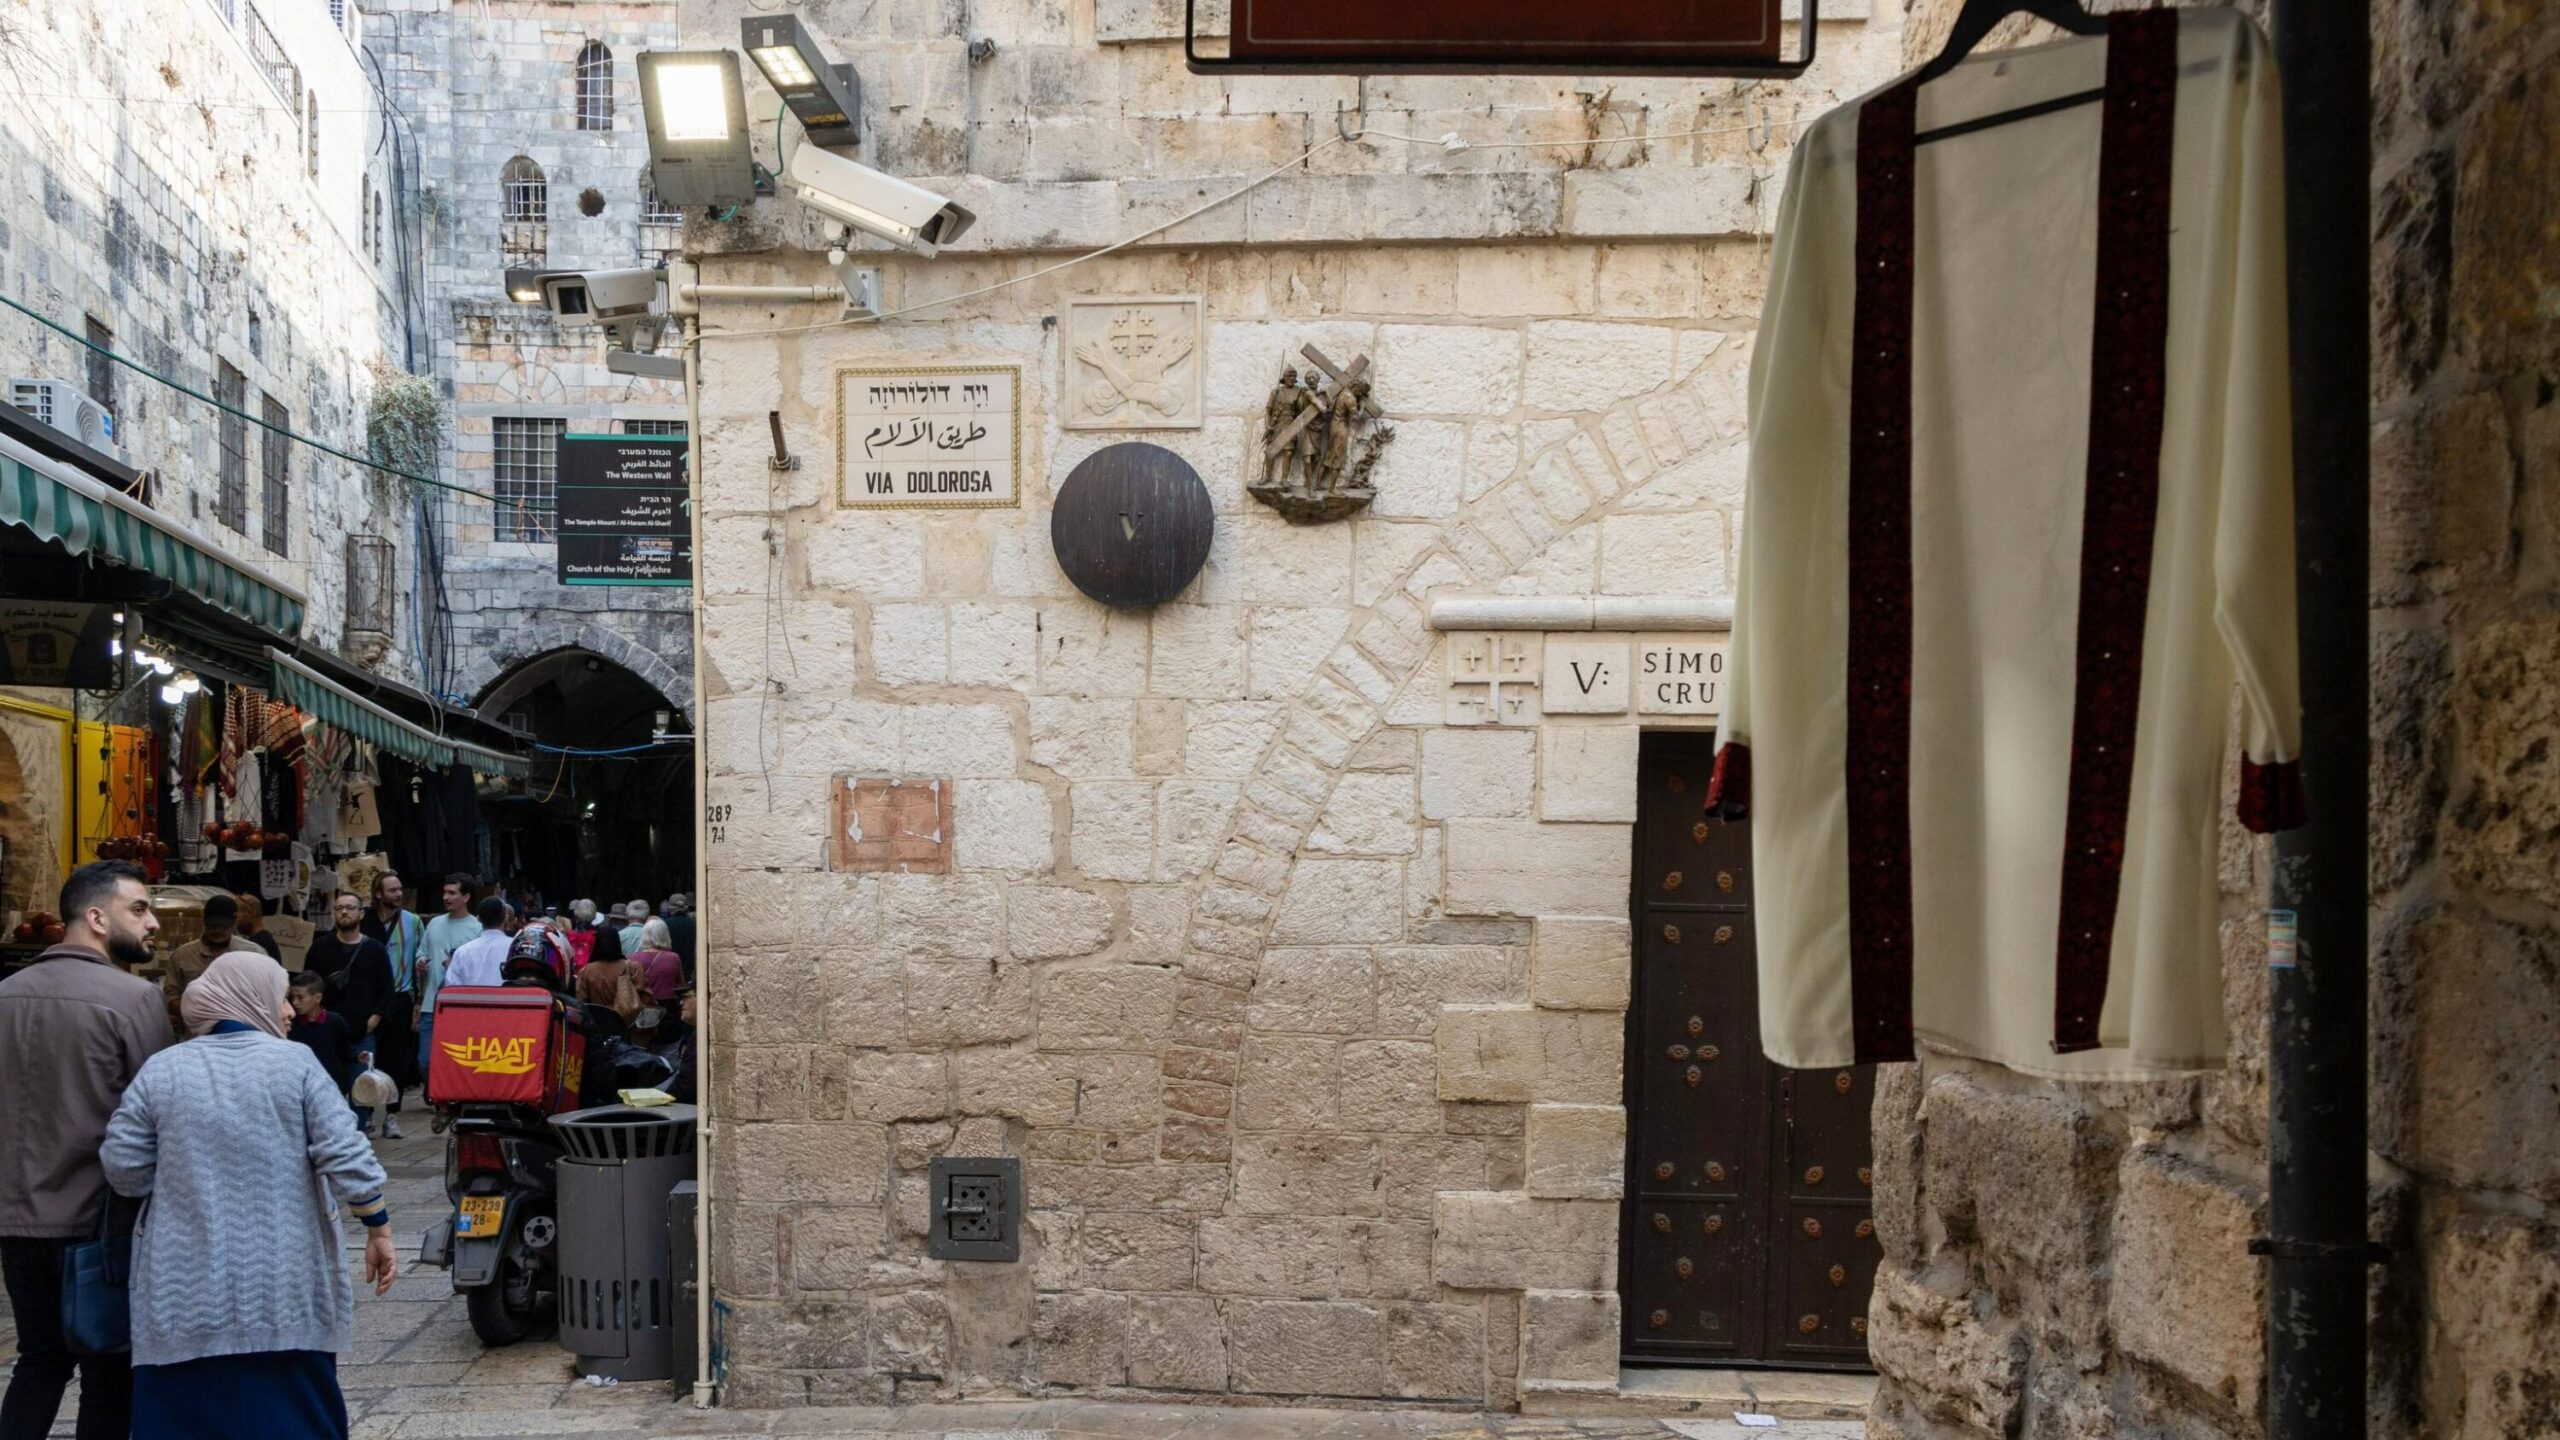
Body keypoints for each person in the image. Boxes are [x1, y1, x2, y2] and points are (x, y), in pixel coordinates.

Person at [102, 952, 396, 1439]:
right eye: (281, 999)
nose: (288, 1012)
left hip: (183, 1297)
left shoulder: (162, 1069)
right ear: (250, 998)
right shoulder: (295, 1064)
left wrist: (184, 1172)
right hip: (283, 1293)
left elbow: (124, 1168)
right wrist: (377, 1226)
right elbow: (346, 1154)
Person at [0, 860, 169, 1439]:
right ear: (96, 918)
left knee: (40, 1361)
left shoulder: (6, 994)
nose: (153, 925)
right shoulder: (132, 999)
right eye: (140, 909)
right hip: (98, 1222)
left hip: (17, 1221)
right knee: (110, 1369)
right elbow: (158, 1112)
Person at [309, 893, 401, 1137]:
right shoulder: (320, 949)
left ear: (361, 913)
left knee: (361, 1090)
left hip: (362, 1032)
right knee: (325, 1088)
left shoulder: (374, 950)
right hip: (326, 1031)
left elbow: (386, 990)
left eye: (350, 908)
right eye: (339, 908)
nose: (344, 912)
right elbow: (308, 986)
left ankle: (355, 1139)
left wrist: (374, 1020)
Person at [357, 873, 424, 1107]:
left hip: (399, 996)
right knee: (368, 1054)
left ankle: (392, 1111)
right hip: (369, 997)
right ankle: (366, 1107)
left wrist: (419, 1000)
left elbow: (420, 959)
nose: (398, 894)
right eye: (392, 890)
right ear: (378, 894)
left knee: (397, 1057)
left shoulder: (413, 921)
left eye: (399, 889)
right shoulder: (364, 921)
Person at [159, 893, 264, 1032]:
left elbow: (268, 994)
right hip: (197, 1037)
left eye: (223, 926)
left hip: (243, 1035)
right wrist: (195, 1009)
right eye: (213, 926)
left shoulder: (253, 953)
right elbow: (171, 994)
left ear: (234, 922)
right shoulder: (182, 956)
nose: (218, 931)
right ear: (204, 921)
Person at [417, 875, 482, 1088]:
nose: (446, 897)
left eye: (452, 893)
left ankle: (445, 1097)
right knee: (425, 1061)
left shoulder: (477, 928)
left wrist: (457, 965)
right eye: (445, 892)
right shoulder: (434, 924)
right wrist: (421, 962)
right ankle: (435, 1090)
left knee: (457, 1058)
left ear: (466, 896)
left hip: (462, 1005)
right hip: (431, 1003)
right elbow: (422, 952)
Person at [286, 972, 357, 1096]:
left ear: (317, 998)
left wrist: (357, 1057)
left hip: (331, 1085)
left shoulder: (335, 1022)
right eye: (292, 998)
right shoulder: (291, 1024)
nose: (295, 1002)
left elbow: (345, 1052)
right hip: (300, 1085)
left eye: (300, 997)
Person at [573, 926, 646, 1022]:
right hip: (627, 1022)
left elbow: (581, 1000)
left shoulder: (587, 971)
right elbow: (646, 997)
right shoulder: (632, 967)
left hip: (598, 1021)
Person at [441, 897, 515, 989]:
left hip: (469, 1002)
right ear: (506, 918)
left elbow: (451, 989)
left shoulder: (462, 952)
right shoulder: (516, 949)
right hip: (509, 1002)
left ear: (478, 919)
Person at [628, 918, 685, 1013]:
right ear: (665, 935)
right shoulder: (673, 958)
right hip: (668, 1009)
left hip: (642, 1008)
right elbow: (681, 985)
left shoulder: (631, 959)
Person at [233, 892, 284, 962]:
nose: (235, 921)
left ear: (249, 913)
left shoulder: (259, 944)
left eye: (236, 916)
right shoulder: (263, 940)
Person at [662, 892, 697, 978]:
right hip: (692, 971)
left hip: (671, 971)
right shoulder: (695, 924)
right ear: (686, 907)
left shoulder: (664, 925)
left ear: (670, 908)